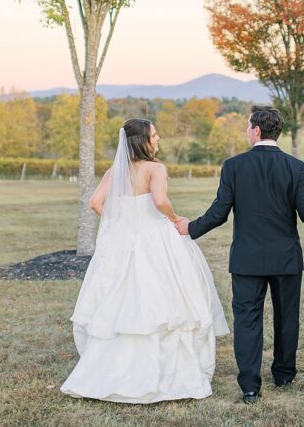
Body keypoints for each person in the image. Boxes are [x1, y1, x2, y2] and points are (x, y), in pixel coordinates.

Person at [175, 105, 304, 404]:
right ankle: (284, 374)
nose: (246, 130)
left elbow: (218, 214)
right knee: (287, 317)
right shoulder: (295, 166)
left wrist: (191, 228)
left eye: (247, 125)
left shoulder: (234, 166)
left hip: (247, 259)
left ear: (256, 130)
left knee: (247, 320)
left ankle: (250, 386)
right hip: (286, 258)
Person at [60, 118, 229, 403]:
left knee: (122, 299)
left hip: (124, 240)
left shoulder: (115, 171)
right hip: (155, 237)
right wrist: (174, 218)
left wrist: (121, 221)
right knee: (165, 298)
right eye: (154, 135)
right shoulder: (155, 168)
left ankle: (111, 371)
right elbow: (160, 200)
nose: (158, 138)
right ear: (143, 141)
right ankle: (165, 373)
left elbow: (95, 203)